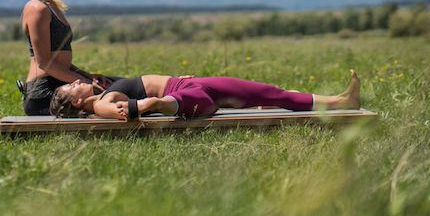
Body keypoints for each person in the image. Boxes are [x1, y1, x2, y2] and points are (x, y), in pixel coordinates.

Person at [19, 0, 116, 115]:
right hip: (44, 92)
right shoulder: (37, 8)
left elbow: (59, 60)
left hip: (62, 83)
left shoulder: (53, 7)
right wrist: (85, 82)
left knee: (116, 85)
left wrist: (89, 76)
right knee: (119, 93)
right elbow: (45, 63)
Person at [49, 70, 361, 120]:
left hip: (190, 87)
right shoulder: (102, 103)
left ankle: (340, 101)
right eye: (72, 87)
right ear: (77, 101)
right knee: (271, 95)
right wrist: (145, 106)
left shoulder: (103, 92)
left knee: (270, 92)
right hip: (183, 99)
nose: (76, 82)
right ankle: (166, 105)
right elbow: (120, 112)